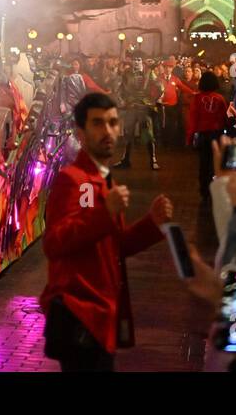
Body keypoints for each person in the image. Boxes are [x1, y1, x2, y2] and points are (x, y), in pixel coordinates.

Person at [41, 92, 174, 371]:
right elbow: (55, 242)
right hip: (81, 317)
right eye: (98, 124)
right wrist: (103, 213)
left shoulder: (101, 179)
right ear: (81, 133)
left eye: (113, 123)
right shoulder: (74, 180)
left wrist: (152, 223)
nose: (108, 131)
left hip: (101, 316)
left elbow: (113, 246)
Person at [189, 71, 229, 196]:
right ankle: (214, 187)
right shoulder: (220, 98)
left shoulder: (197, 98)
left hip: (202, 134)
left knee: (203, 163)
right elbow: (224, 117)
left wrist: (190, 136)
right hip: (216, 134)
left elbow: (193, 118)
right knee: (214, 162)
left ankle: (204, 189)